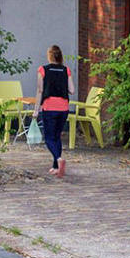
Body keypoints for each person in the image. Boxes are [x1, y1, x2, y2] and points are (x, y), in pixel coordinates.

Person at [35, 44, 75, 177]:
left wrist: (36, 110)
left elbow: (40, 91)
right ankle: (56, 167)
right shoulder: (66, 70)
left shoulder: (43, 70)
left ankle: (58, 159)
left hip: (49, 107)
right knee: (57, 136)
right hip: (63, 108)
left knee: (49, 138)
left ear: (49, 56)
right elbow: (72, 90)